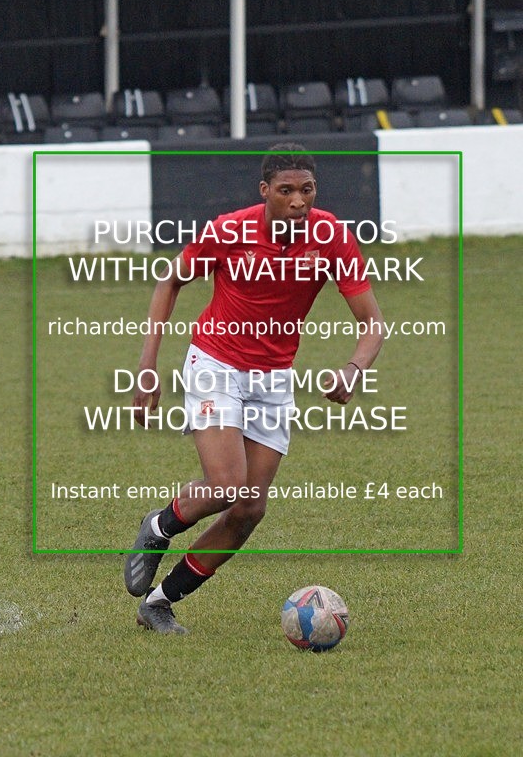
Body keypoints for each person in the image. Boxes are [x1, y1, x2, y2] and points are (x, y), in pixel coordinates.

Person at [124, 143, 384, 634]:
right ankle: (159, 526)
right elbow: (169, 281)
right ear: (265, 191)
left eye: (307, 190)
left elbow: (373, 323)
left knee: (248, 509)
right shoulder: (230, 230)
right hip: (215, 362)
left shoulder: (332, 238)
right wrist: (147, 364)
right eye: (286, 191)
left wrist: (354, 367)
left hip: (273, 378)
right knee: (226, 486)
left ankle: (158, 603)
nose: (298, 201)